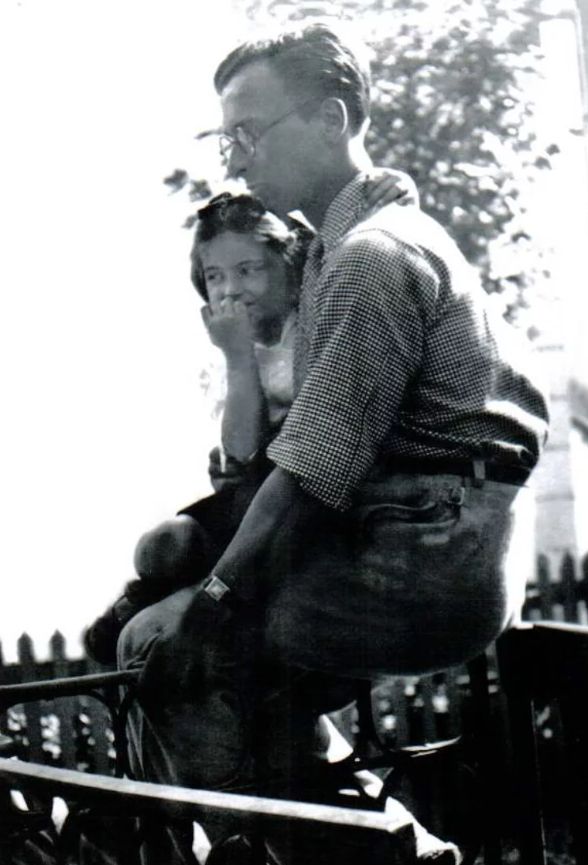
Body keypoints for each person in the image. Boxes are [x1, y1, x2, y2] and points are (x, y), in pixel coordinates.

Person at [121, 21, 549, 865]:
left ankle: (365, 856)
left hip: (427, 558)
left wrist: (209, 606)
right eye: (226, 139)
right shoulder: (335, 254)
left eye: (250, 134)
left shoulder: (370, 257)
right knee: (205, 642)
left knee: (166, 655)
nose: (235, 163)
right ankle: (387, 848)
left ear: (331, 117)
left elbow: (312, 469)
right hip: (427, 536)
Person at [85, 176, 416, 666]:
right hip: (258, 484)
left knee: (183, 575)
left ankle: (187, 597)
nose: (232, 290)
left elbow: (314, 436)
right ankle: (150, 597)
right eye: (215, 276)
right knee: (159, 548)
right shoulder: (250, 342)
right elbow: (239, 451)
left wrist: (402, 187)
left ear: (286, 264)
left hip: (312, 488)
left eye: (248, 270)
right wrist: (238, 357)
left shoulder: (317, 313)